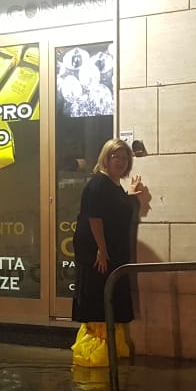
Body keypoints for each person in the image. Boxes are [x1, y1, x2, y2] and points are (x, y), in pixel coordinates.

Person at [71, 138, 150, 367]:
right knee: (99, 301)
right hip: (99, 254)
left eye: (125, 157)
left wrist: (130, 195)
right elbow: (94, 218)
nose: (121, 161)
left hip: (111, 251)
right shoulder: (99, 183)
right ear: (106, 158)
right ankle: (96, 354)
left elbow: (113, 210)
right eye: (116, 156)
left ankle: (111, 350)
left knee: (110, 298)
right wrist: (102, 249)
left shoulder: (113, 185)